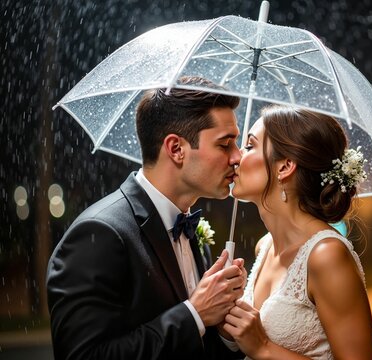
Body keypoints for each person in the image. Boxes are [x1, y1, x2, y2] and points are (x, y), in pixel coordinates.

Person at [47, 77, 247, 360]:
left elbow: (194, 347)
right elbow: (83, 356)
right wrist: (195, 314)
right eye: (225, 144)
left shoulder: (193, 233)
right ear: (176, 149)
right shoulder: (100, 234)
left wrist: (226, 333)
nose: (237, 157)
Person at [223, 105, 372, 359]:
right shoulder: (264, 247)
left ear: (285, 166)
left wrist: (264, 348)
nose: (236, 156)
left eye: (249, 146)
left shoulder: (326, 256)